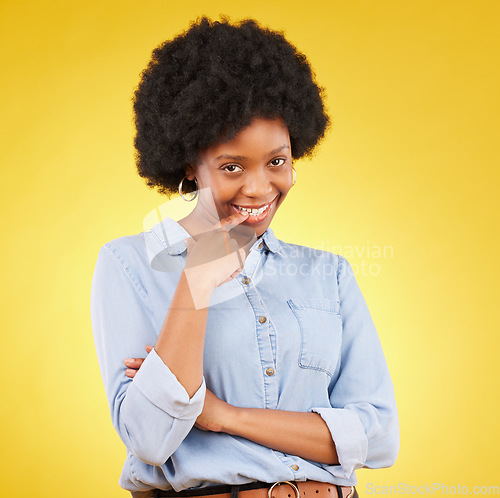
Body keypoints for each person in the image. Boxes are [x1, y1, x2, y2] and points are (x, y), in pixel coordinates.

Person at [90, 16, 399, 498]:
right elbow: (150, 439)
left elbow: (378, 438)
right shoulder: (131, 266)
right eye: (232, 166)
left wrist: (223, 416)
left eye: (277, 161)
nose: (259, 188)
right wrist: (196, 281)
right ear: (190, 164)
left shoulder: (329, 275)